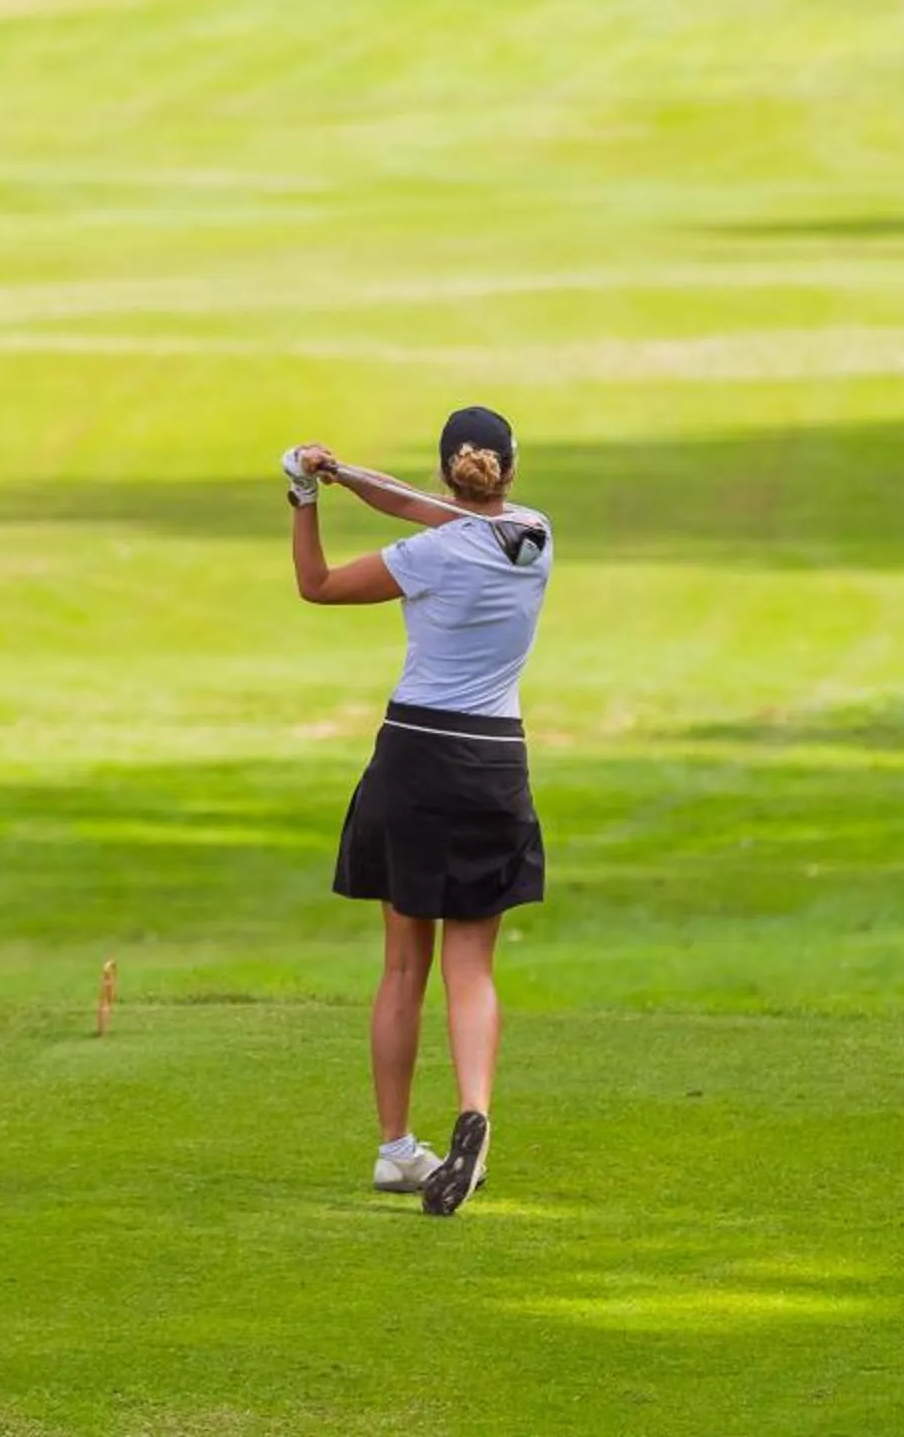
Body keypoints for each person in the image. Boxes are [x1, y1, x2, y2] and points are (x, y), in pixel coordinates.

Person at [281, 406, 553, 1217]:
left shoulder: (425, 555)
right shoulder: (535, 536)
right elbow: (411, 501)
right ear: (510, 467)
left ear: (448, 470)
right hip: (495, 760)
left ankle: (398, 1149)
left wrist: (305, 494)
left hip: (415, 755)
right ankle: (473, 1112)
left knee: (406, 964)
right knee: (473, 965)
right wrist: (344, 473)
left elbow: (318, 586)